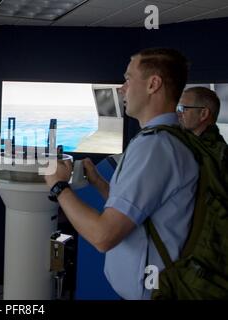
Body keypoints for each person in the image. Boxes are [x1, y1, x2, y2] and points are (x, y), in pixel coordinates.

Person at [45, 48, 199, 299]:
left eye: (128, 79)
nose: (121, 89)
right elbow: (139, 210)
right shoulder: (168, 140)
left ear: (153, 84)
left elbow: (103, 236)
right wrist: (98, 182)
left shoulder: (154, 148)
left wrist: (58, 187)